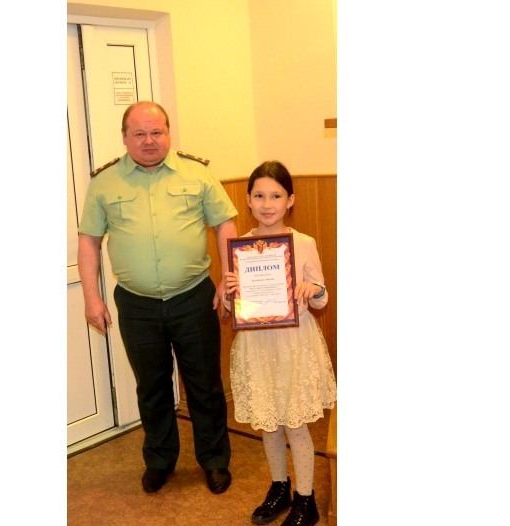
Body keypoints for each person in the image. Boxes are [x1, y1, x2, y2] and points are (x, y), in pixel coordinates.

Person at [77, 101, 238, 495]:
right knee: (151, 388)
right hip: (136, 304)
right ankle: (160, 461)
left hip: (193, 297)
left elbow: (224, 225)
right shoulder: (104, 183)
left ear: (168, 133)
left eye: (156, 132)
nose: (149, 141)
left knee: (204, 385)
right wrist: (91, 299)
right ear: (125, 137)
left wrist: (228, 278)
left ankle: (214, 460)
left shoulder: (198, 174)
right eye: (139, 133)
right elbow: (89, 242)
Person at [223, 161, 337, 525]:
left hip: (292, 346)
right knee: (268, 423)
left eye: (276, 196)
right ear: (248, 200)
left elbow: (321, 297)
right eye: (259, 196)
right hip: (256, 347)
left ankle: (306, 499)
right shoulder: (241, 248)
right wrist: (229, 294)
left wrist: (312, 289)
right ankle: (279, 487)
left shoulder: (302, 243)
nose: (267, 204)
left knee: (295, 424)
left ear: (290, 200)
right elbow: (232, 309)